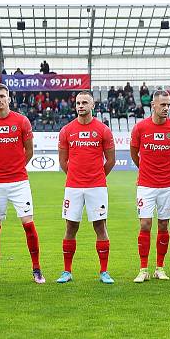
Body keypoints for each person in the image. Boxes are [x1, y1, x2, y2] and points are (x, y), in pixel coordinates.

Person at [0, 83, 43, 284]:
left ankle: (37, 269)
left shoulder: (22, 121)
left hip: (19, 182)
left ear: (9, 99)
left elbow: (29, 151)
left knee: (28, 224)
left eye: (2, 96)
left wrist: (17, 168)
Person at [55, 91, 116, 284]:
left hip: (97, 187)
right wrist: (75, 176)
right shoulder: (66, 130)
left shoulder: (103, 129)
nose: (80, 106)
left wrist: (96, 177)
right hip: (73, 187)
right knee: (71, 226)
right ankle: (67, 271)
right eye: (78, 103)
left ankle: (104, 271)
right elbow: (63, 161)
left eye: (84, 103)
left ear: (93, 105)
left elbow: (111, 160)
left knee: (100, 226)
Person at [130, 90, 170, 282]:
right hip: (145, 185)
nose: (166, 108)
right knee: (145, 224)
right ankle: (143, 269)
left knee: (164, 224)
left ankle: (159, 267)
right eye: (162, 105)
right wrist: (145, 169)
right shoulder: (140, 128)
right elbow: (134, 152)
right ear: (153, 105)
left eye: (168, 105)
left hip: (167, 185)